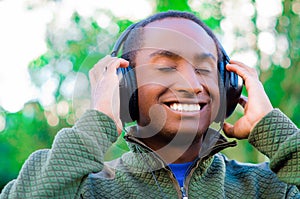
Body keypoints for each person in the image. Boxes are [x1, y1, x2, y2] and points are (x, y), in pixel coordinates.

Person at [1, 10, 299, 199]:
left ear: (228, 86)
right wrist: (95, 127)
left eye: (204, 69)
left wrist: (274, 131)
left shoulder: (270, 188)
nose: (192, 85)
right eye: (166, 67)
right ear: (124, 85)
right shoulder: (88, 191)